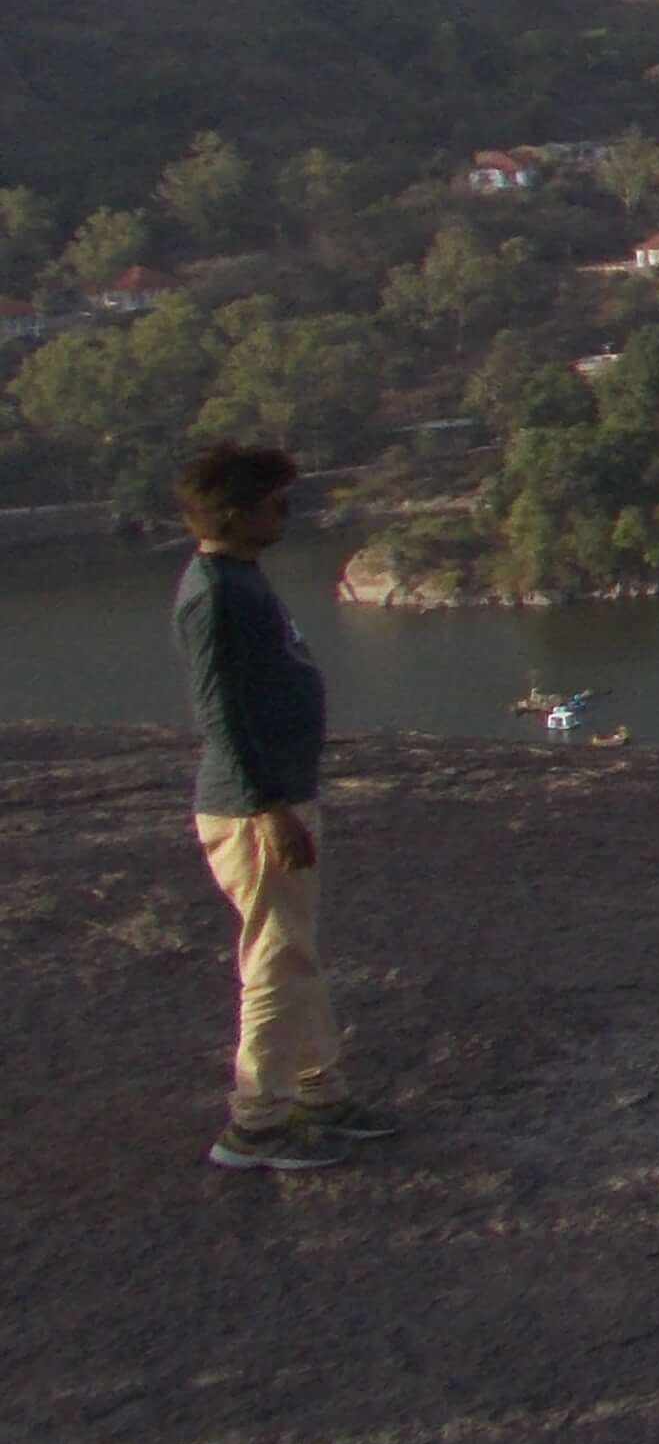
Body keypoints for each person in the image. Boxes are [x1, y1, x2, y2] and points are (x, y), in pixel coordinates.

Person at [177, 442, 390, 1173]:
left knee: (293, 952)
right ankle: (256, 1126)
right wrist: (269, 806)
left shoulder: (239, 580)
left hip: (276, 797)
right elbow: (220, 711)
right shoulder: (214, 595)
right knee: (273, 959)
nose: (286, 514)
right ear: (236, 512)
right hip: (254, 809)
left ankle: (320, 1095)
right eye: (275, 502)